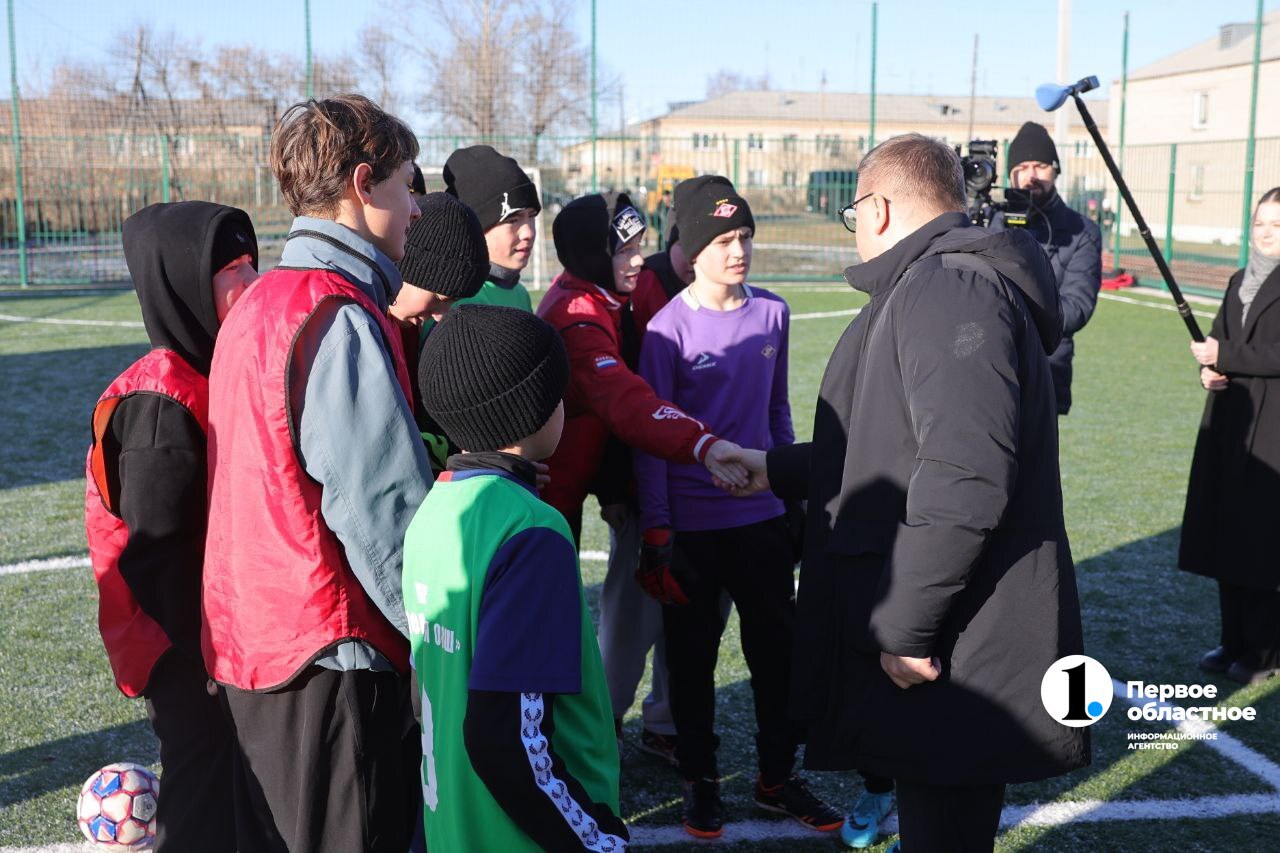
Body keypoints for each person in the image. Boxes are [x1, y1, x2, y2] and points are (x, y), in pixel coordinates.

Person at [724, 133, 1089, 851]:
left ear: (881, 207)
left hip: (957, 646)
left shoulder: (947, 285)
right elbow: (889, 439)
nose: (855, 229)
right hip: (958, 638)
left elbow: (966, 472)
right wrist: (778, 467)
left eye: (854, 211)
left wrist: (904, 628)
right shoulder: (947, 279)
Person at [201, 94, 432, 852]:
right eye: (407, 183)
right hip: (330, 655)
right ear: (364, 184)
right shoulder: (333, 312)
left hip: (254, 649)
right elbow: (380, 510)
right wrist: (440, 639)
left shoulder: (257, 304)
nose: (416, 208)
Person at [634, 175, 843, 839]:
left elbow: (778, 408)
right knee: (692, 665)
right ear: (691, 250)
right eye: (723, 239)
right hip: (693, 529)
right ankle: (700, 779)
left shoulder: (773, 313)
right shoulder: (665, 330)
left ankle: (778, 778)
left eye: (745, 235)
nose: (738, 249)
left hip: (762, 522)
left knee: (776, 658)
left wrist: (790, 491)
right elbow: (652, 436)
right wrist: (659, 528)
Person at [404, 303, 629, 852]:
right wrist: (595, 840)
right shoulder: (531, 530)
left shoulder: (435, 506)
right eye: (557, 394)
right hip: (525, 837)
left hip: (453, 829)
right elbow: (507, 739)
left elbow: (425, 689)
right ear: (529, 410)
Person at [85, 201, 257, 853]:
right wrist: (208, 653)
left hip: (213, 630)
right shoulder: (162, 400)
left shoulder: (211, 367)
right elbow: (154, 558)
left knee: (233, 781)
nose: (250, 281)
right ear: (180, 285)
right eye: (231, 270)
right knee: (203, 785)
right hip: (177, 643)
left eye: (250, 263)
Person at [592, 204, 699, 767]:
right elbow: (622, 406)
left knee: (689, 615)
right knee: (631, 613)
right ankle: (605, 720)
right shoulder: (642, 287)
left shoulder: (733, 292)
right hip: (642, 482)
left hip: (703, 483)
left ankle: (664, 722)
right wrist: (613, 488)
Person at [1181, 186, 1280, 685]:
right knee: (1226, 532)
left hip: (1272, 428)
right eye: (1261, 224)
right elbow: (1217, 341)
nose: (1266, 234)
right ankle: (1233, 640)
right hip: (1230, 419)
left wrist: (1227, 358)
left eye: (1277, 226)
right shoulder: (1240, 278)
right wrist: (1207, 373)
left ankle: (1263, 651)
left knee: (1260, 539)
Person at [990, 121, 1103, 416]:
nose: (1031, 176)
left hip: (1047, 368)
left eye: (1039, 165)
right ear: (1011, 174)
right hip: (990, 362)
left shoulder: (1082, 231)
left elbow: (1077, 307)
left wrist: (1012, 316)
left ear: (1055, 169)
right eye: (1022, 167)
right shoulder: (990, 222)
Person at [391, 191, 490, 474]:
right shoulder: (362, 330)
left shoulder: (408, 328)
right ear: (408, 270)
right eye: (438, 297)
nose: (439, 315)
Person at [441, 144, 542, 315]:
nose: (528, 233)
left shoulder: (519, 293)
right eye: (512, 220)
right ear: (475, 227)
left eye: (531, 216)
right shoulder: (461, 305)